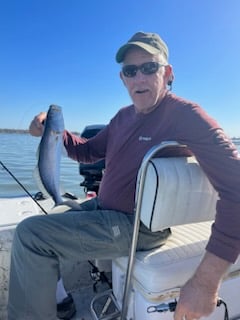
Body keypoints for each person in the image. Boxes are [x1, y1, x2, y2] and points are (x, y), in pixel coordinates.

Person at [8, 31, 240, 320]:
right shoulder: (122, 117)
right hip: (105, 210)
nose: (139, 77)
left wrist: (206, 282)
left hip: (136, 227)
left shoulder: (187, 115)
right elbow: (88, 152)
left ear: (167, 73)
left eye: (149, 67)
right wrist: (52, 133)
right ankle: (58, 301)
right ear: (122, 78)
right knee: (50, 216)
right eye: (130, 71)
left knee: (30, 235)